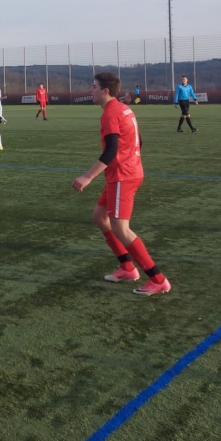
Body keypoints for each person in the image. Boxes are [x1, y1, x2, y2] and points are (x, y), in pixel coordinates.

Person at [71, 71, 171, 296]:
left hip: (123, 176)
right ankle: (127, 267)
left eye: (94, 86)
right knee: (100, 216)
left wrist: (87, 177)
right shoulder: (124, 108)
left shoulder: (110, 113)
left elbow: (111, 151)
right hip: (127, 173)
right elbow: (139, 141)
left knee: (121, 228)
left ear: (105, 90)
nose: (91, 90)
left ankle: (157, 279)